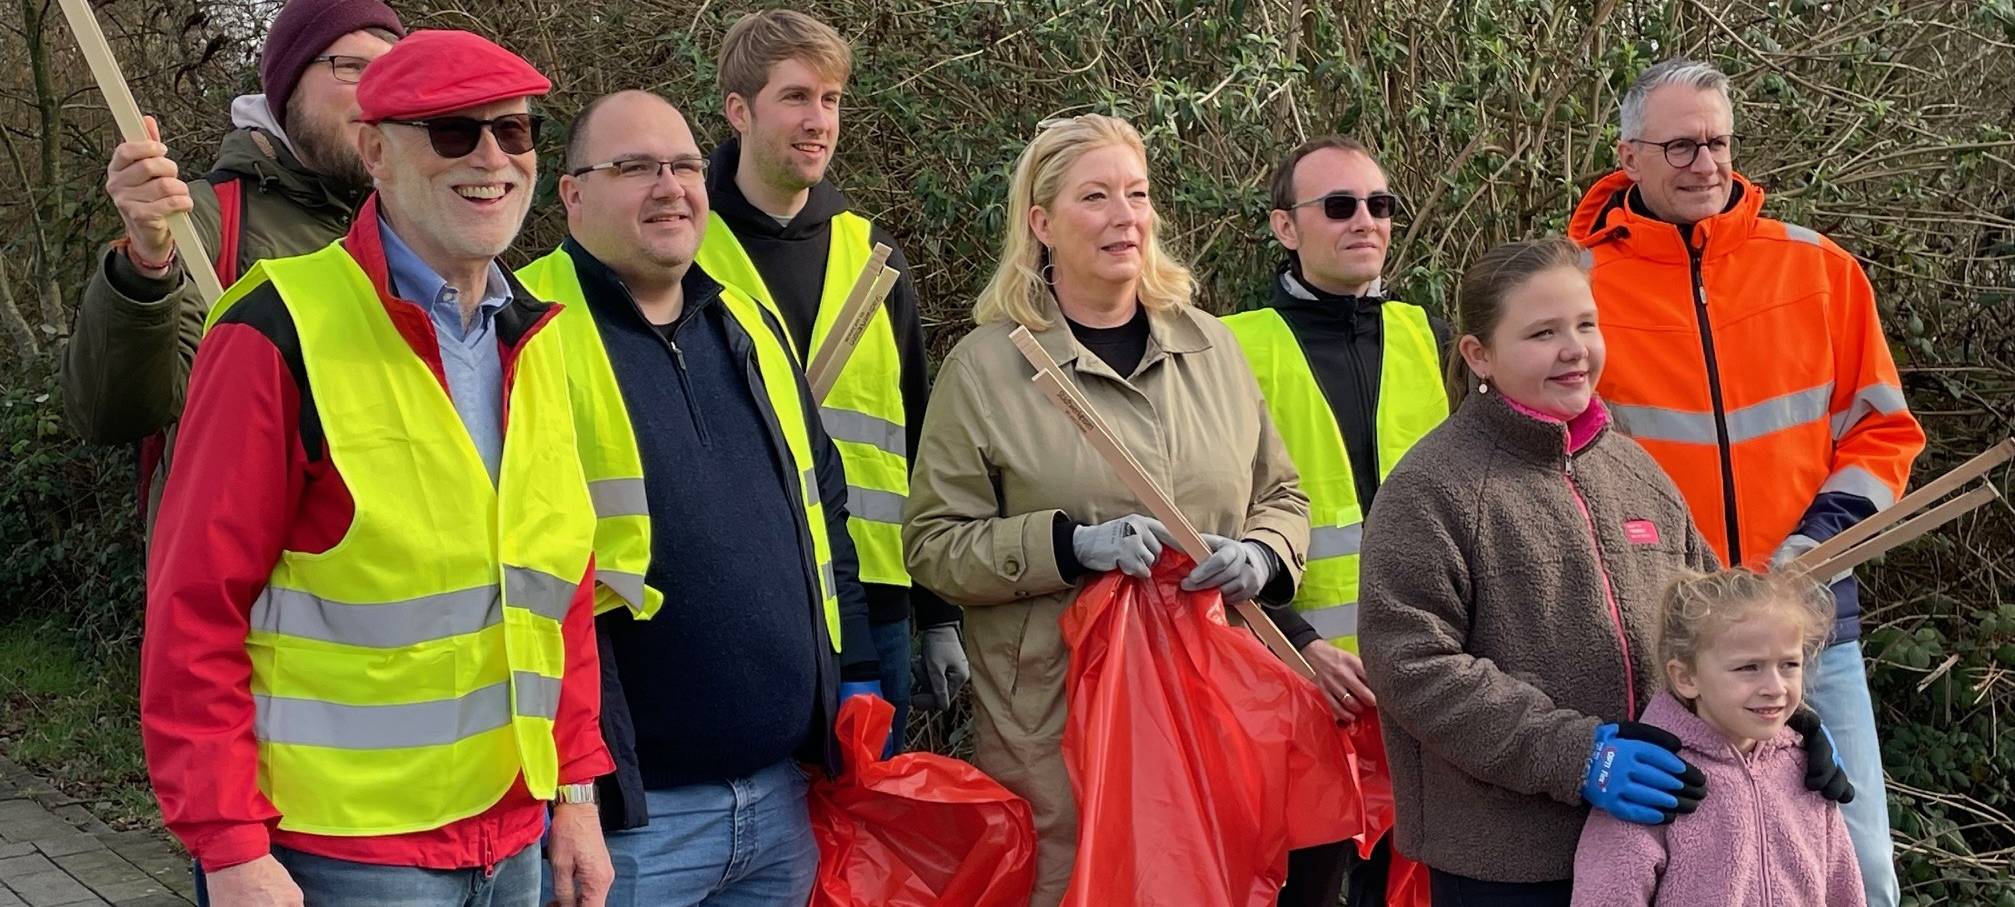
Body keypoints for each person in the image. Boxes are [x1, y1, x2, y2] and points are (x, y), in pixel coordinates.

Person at [140, 31, 614, 907]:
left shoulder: (538, 338)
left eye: (515, 132)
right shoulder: (278, 326)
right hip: (340, 857)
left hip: (513, 835)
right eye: (451, 132)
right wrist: (229, 847)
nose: (491, 158)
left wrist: (577, 794)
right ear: (373, 150)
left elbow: (561, 595)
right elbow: (193, 610)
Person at [903, 113, 1310, 906]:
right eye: (1095, 196)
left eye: (1137, 193)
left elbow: (1283, 495)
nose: (1125, 216)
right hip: (1055, 729)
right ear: (1041, 222)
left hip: (1209, 709)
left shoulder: (1211, 347)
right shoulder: (985, 368)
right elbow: (933, 546)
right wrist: (1070, 545)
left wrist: (1260, 554)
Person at [1567, 59, 1922, 906]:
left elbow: (1883, 429)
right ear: (1628, 155)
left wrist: (1813, 547)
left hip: (1807, 636)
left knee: (1859, 872)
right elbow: (1556, 457)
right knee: (1690, 877)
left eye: (1718, 142)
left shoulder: (1818, 268)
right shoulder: (1576, 284)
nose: (1705, 164)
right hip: (1660, 642)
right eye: (1681, 145)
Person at [517, 89, 881, 905]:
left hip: (777, 799)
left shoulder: (746, 321)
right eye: (634, 167)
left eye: (683, 165)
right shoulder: (523, 325)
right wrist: (568, 798)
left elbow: (821, 506)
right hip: (623, 822)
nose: (669, 186)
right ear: (571, 194)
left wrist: (852, 668)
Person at [1359, 237, 1719, 907]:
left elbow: (1714, 625)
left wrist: (1781, 720)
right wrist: (1576, 754)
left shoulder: (1637, 472)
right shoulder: (1431, 487)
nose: (1573, 348)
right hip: (1506, 864)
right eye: (1542, 332)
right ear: (1478, 355)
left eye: (1585, 324)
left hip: (1655, 845)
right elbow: (1410, 663)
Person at [694, 10, 965, 735]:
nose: (818, 120)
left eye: (831, 99)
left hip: (873, 608)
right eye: (795, 97)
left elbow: (922, 438)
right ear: (738, 110)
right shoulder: (680, 255)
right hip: (734, 602)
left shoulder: (874, 258)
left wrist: (937, 616)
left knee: (864, 843)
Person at [62, 0, 404, 526]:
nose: (375, 91)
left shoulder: (411, 227)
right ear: (287, 85)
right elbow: (111, 410)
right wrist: (147, 267)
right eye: (351, 67)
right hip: (242, 592)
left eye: (390, 73)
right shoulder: (197, 220)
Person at [1222, 135, 1450, 907]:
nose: (1365, 221)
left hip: (1423, 684)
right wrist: (1300, 641)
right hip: (1291, 686)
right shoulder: (1231, 347)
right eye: (1340, 206)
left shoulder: (1432, 337)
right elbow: (1209, 527)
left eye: (1379, 205)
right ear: (1285, 228)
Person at [1572, 569, 1866, 906]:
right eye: (1748, 668)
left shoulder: (1809, 771)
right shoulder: (1649, 781)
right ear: (1686, 677)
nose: (1775, 688)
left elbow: (1844, 888)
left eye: (1789, 665)